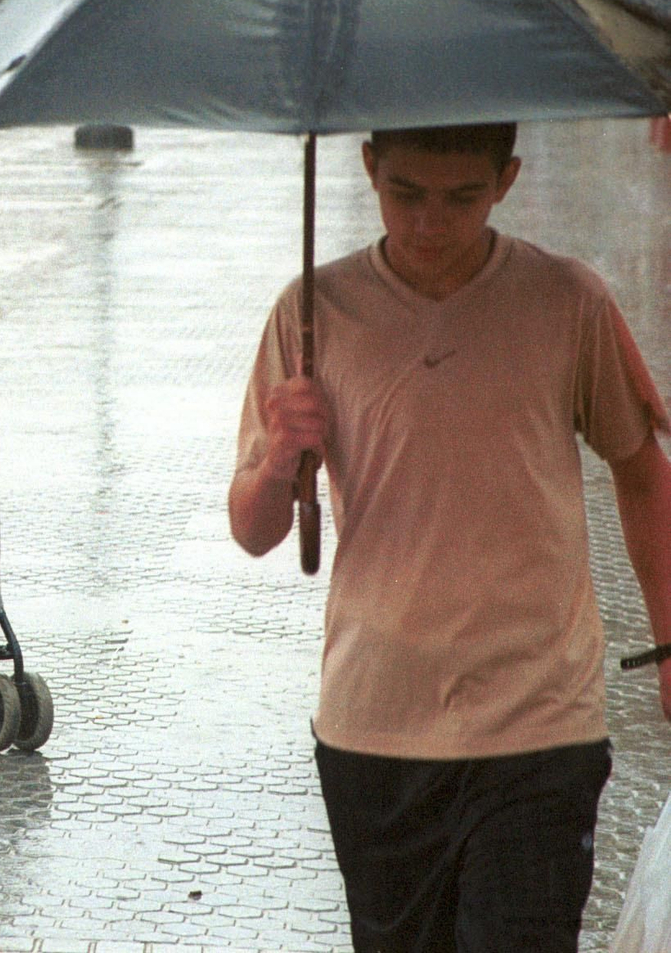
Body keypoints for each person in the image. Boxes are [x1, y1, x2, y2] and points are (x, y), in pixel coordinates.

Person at [229, 122, 671, 952]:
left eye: (462, 198)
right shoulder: (312, 312)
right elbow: (253, 530)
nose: (430, 222)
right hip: (375, 730)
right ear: (369, 168)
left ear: (506, 180)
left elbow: (642, 469)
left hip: (541, 725)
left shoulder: (569, 300)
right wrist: (282, 453)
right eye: (406, 194)